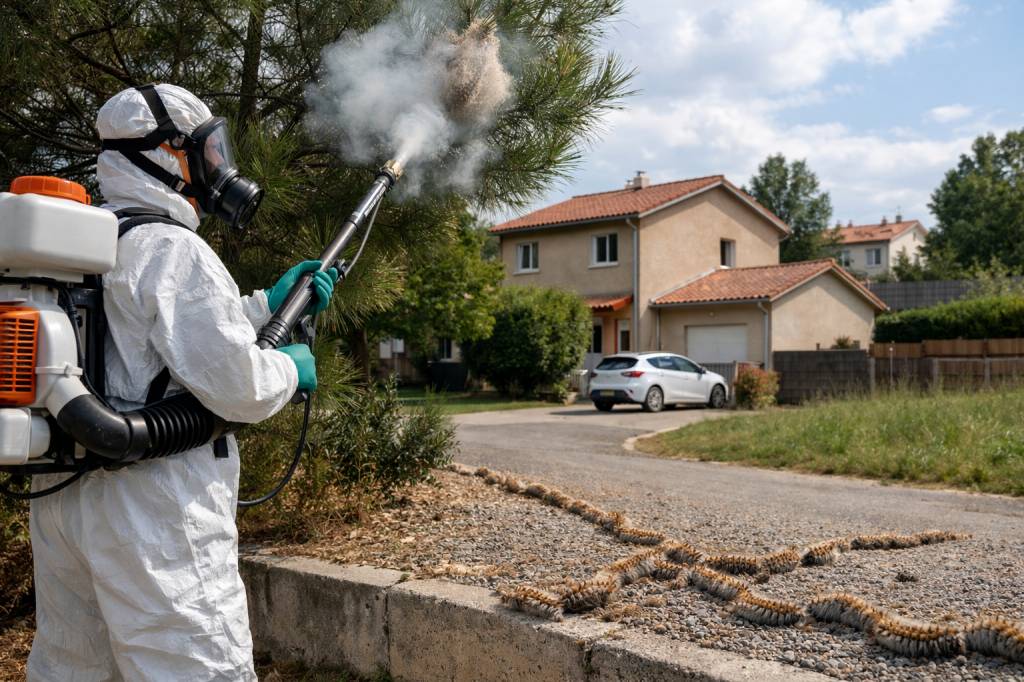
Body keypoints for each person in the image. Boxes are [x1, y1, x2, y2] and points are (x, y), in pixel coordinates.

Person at [27, 84, 336, 681]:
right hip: (154, 509)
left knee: (75, 667)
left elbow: (142, 346)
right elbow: (238, 385)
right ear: (168, 153)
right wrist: (289, 368)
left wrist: (263, 306)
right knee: (197, 667)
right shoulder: (172, 248)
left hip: (67, 500)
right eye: (208, 151)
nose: (217, 166)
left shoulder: (89, 242)